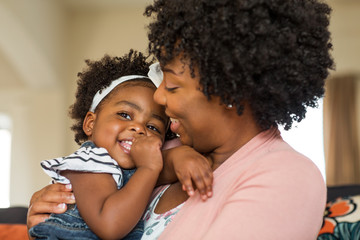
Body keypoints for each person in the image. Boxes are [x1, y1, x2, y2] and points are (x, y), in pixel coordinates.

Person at [28, 0, 334, 239]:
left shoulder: (286, 177)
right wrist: (58, 216)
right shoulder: (165, 155)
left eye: (172, 85)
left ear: (230, 90)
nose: (159, 98)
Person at [28, 50, 212, 240]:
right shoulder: (89, 163)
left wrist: (182, 157)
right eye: (125, 115)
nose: (139, 128)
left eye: (152, 127)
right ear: (91, 123)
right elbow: (110, 226)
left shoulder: (138, 167)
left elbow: (161, 165)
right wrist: (148, 168)